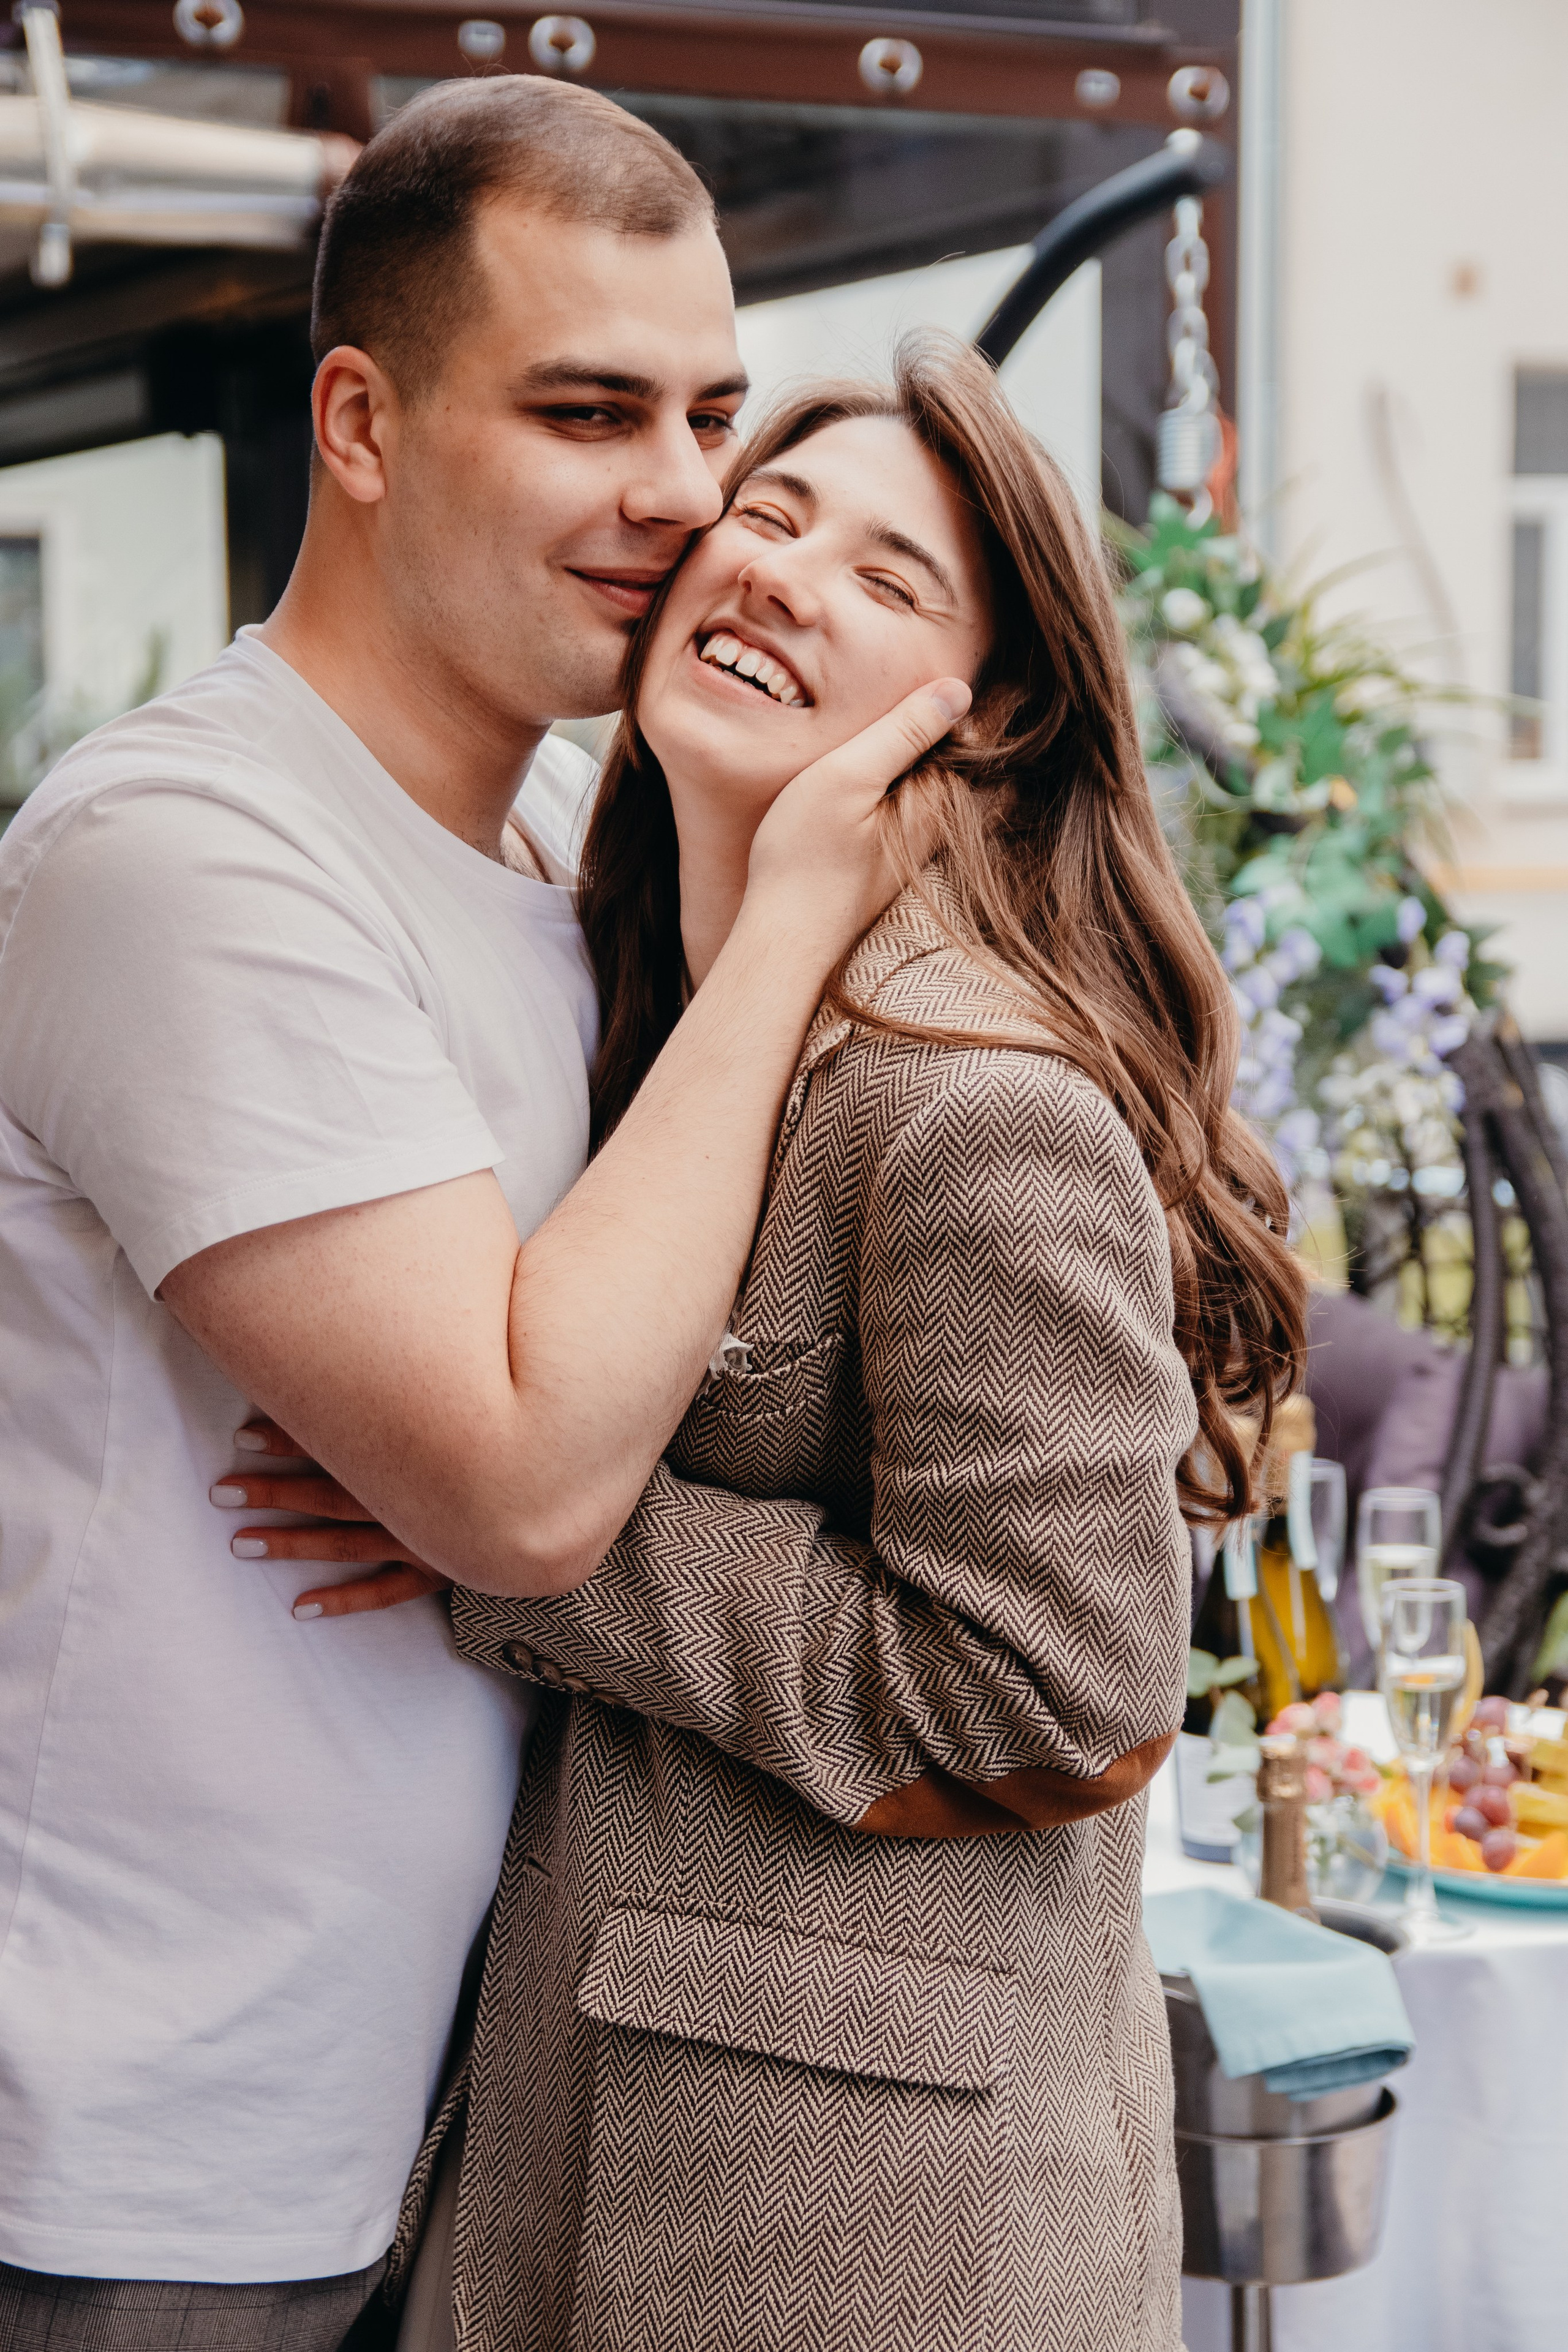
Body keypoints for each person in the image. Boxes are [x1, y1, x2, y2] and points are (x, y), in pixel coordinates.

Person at [0, 81, 969, 2351]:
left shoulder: (570, 828)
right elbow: (532, 1472)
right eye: (585, 409)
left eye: (712, 409)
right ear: (360, 419)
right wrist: (795, 921)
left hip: (469, 2105)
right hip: (150, 2144)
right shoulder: (188, 847)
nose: (683, 493)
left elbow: (637, 1409)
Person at [227, 341, 1307, 2352]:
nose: (789, 576)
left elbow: (1059, 1693)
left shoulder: (971, 1102)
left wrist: (525, 1537)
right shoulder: (637, 1023)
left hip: (868, 2242)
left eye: (893, 580)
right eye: (775, 518)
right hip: (590, 2159)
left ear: (978, 722)